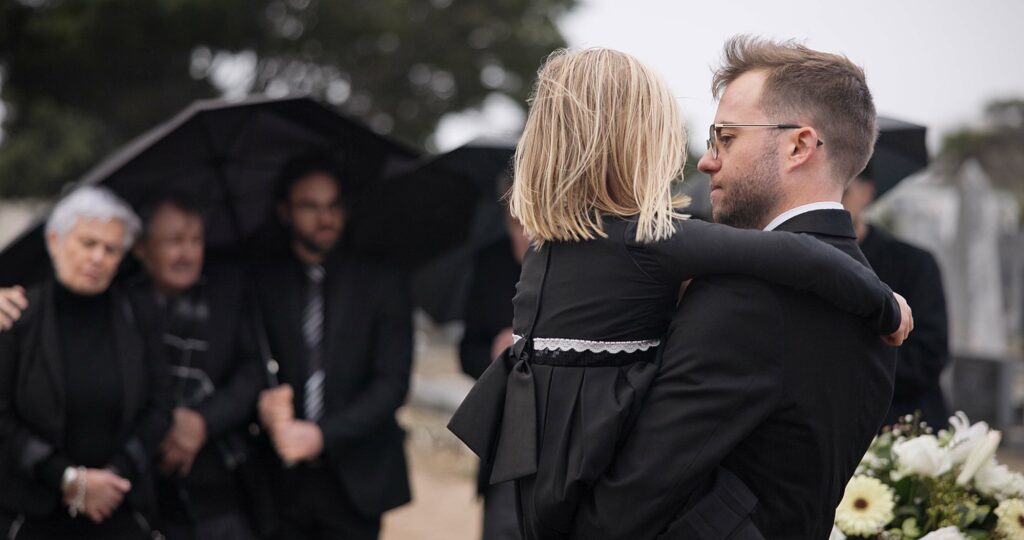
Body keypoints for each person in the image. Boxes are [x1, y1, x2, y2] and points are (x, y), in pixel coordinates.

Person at [447, 48, 911, 540]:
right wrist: (886, 303)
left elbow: (627, 506)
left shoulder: (746, 296)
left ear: (799, 147)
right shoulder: (844, 286)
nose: (705, 160)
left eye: (726, 138)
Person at [254, 155, 413, 539]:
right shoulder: (262, 283)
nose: (325, 218)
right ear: (284, 212)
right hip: (276, 481)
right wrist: (262, 405)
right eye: (310, 206)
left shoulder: (382, 283)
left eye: (333, 206)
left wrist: (322, 435)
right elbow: (247, 365)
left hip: (355, 478)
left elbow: (392, 384)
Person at [0, 186, 170, 539]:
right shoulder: (18, 315)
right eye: (87, 243)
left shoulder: (139, 315)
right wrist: (68, 479)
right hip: (35, 513)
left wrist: (112, 479)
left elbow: (160, 407)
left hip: (119, 506)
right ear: (55, 241)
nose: (97, 258)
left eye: (111, 249)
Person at [128, 195, 267, 540]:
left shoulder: (230, 292)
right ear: (142, 249)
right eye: (174, 241)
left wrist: (203, 421)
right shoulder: (121, 304)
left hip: (221, 487)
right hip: (141, 487)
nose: (187, 254)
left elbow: (253, 370)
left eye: (195, 241)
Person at [844, 172, 950, 429]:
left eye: (843, 191)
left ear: (866, 193)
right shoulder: (797, 266)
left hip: (905, 425)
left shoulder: (913, 264)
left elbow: (930, 354)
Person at [458, 175, 529, 540]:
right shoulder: (491, 264)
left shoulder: (576, 264)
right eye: (516, 223)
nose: (525, 235)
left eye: (533, 221)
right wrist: (493, 355)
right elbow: (466, 352)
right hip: (503, 444)